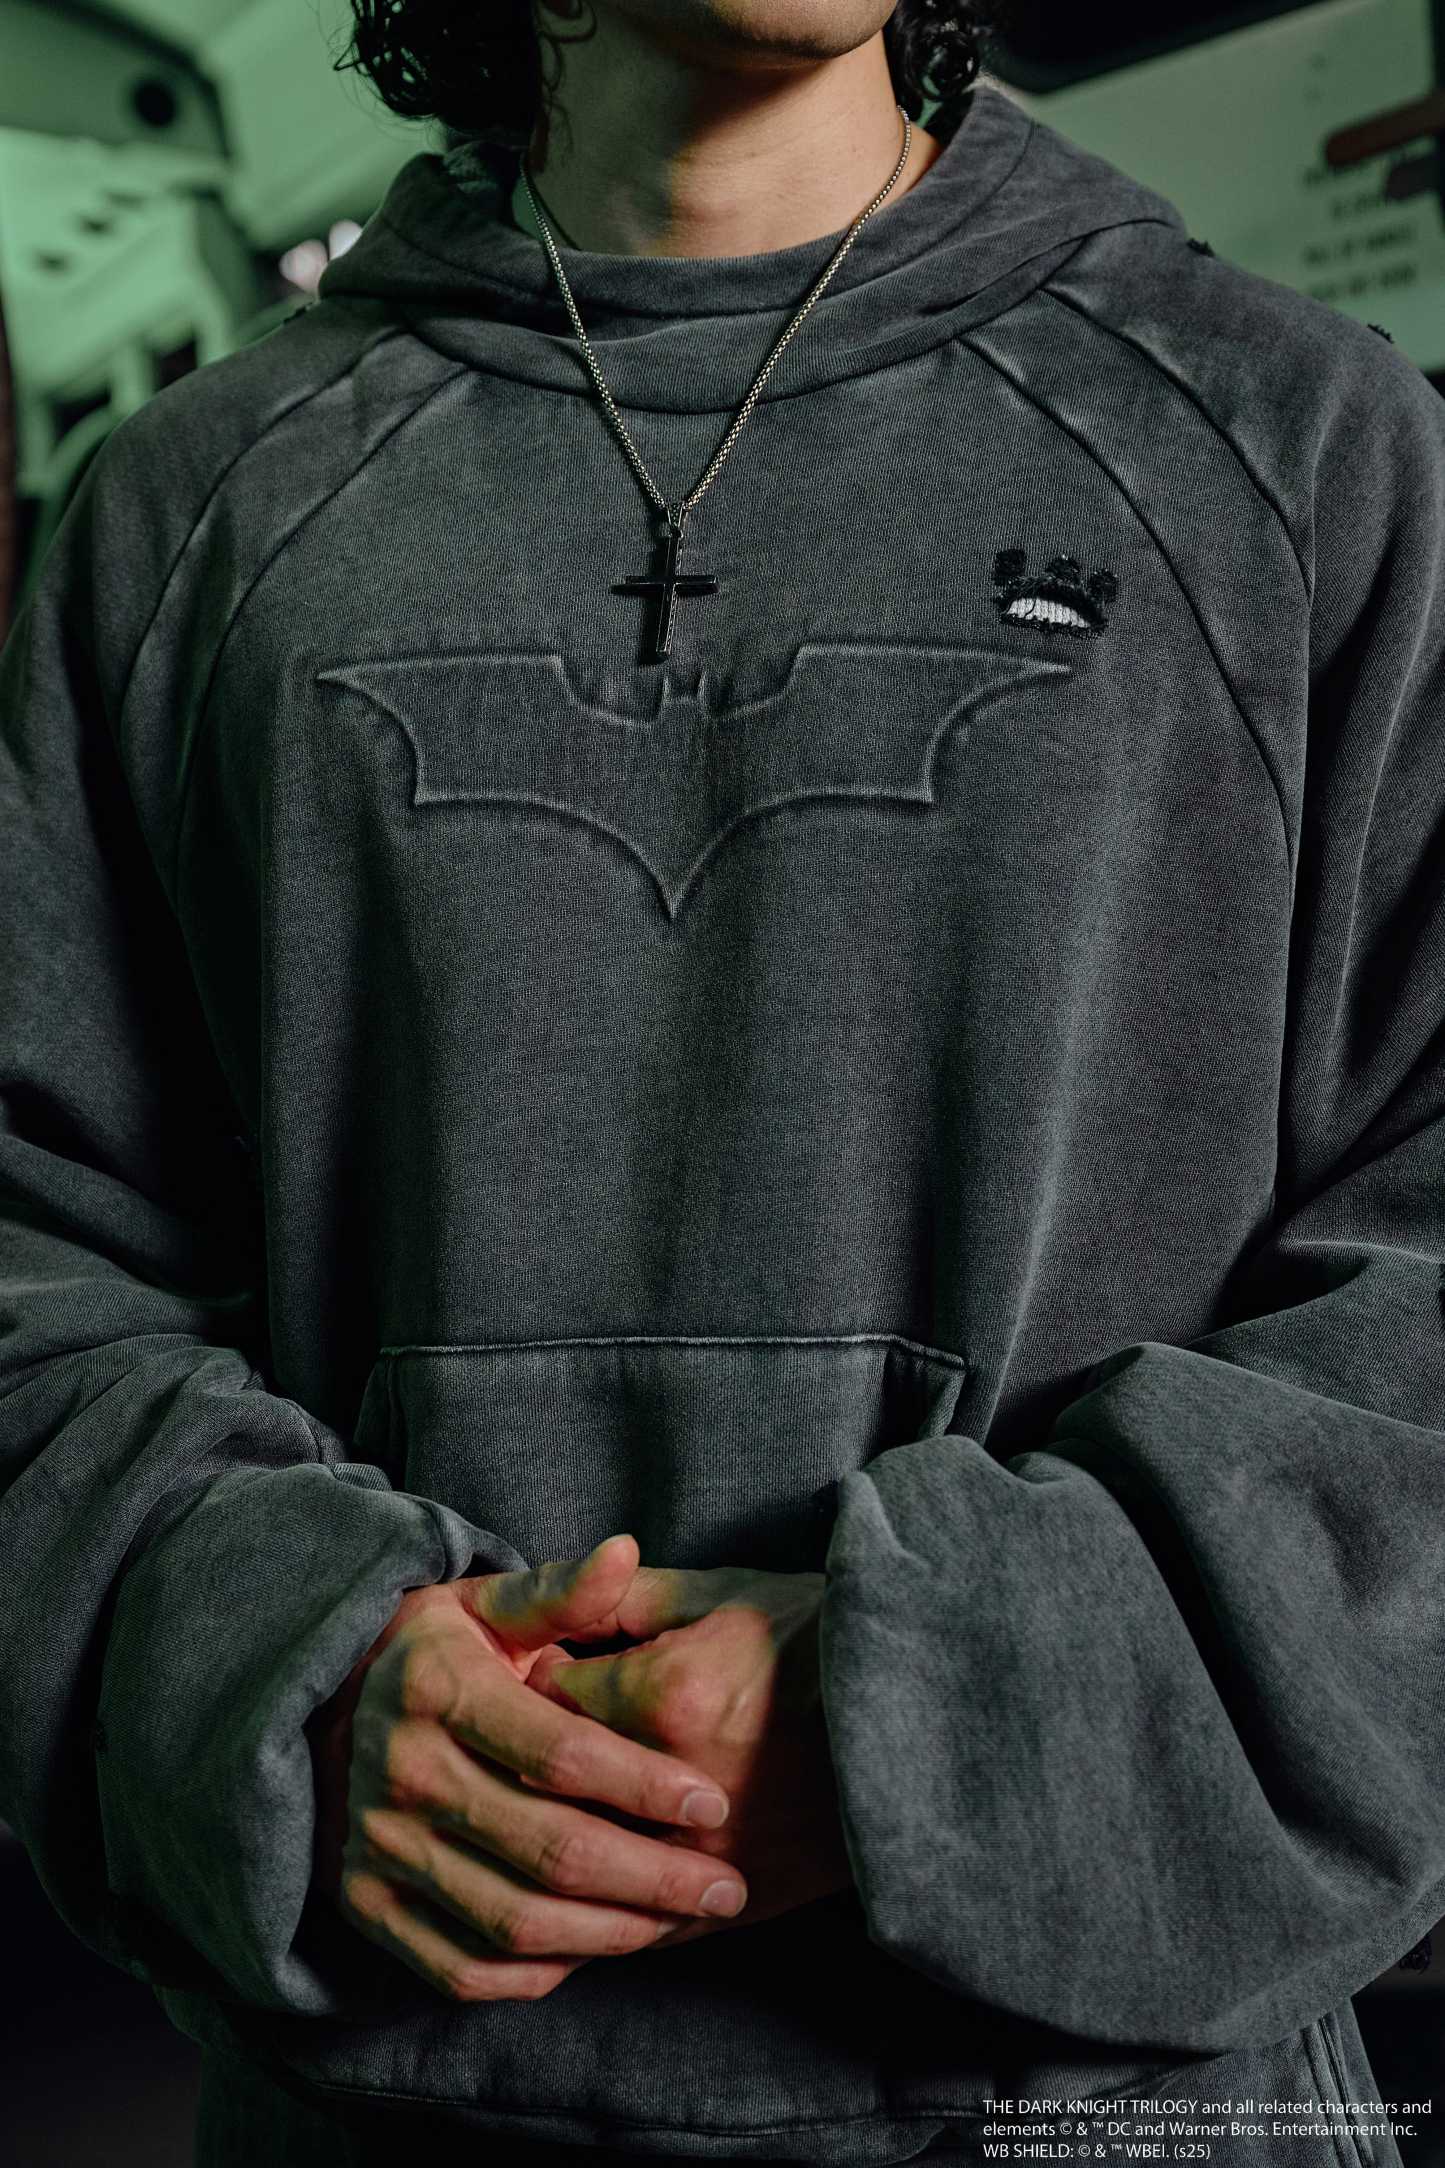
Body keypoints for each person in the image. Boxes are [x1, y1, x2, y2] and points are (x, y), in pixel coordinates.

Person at [1, 1, 1442, 2162]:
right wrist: (277, 1664)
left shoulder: (1304, 445)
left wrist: (944, 1699)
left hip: (1117, 2101)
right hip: (401, 2097)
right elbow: (35, 1253)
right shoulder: (186, 513)